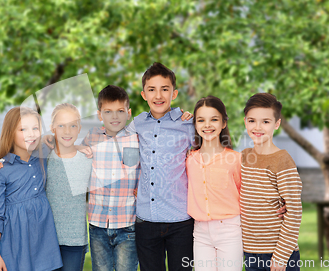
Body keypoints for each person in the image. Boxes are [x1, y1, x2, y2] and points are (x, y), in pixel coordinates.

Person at [0, 104, 91, 271]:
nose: (31, 134)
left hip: (42, 244)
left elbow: (63, 143)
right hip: (13, 246)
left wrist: (78, 148)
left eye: (35, 128)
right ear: (10, 133)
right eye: (23, 129)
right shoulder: (0, 170)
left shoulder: (42, 155)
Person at [127, 62, 195, 271]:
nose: (158, 95)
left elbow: (204, 158)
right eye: (152, 89)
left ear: (174, 93)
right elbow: (127, 159)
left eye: (164, 89)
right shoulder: (136, 124)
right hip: (146, 219)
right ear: (143, 94)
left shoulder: (187, 124)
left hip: (180, 220)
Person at [240, 93, 303, 271]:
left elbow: (294, 212)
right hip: (250, 252)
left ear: (277, 124)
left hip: (278, 254)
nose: (257, 127)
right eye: (252, 121)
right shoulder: (244, 157)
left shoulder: (282, 160)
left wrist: (281, 256)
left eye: (265, 122)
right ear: (245, 122)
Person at [81, 85, 139, 271]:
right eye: (108, 112)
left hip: (128, 224)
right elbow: (76, 157)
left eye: (120, 111)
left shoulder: (137, 139)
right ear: (100, 115)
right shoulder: (92, 137)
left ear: (128, 113)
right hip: (98, 224)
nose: (115, 117)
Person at [186, 96, 242, 271]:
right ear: (195, 124)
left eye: (214, 119)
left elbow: (247, 193)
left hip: (230, 230)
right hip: (200, 232)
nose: (207, 125)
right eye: (201, 120)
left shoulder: (235, 159)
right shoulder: (189, 159)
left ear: (224, 123)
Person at [46, 103, 92, 271]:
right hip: (47, 239)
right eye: (61, 126)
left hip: (75, 241)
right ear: (52, 128)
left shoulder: (87, 159)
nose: (67, 131)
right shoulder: (45, 159)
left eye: (73, 125)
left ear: (79, 128)